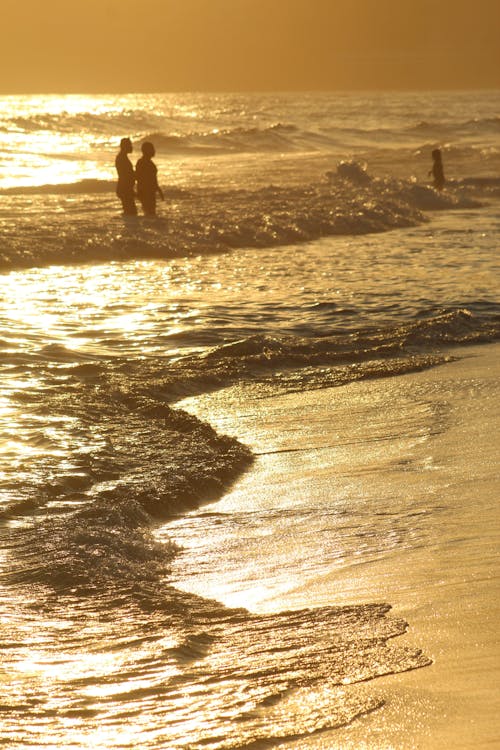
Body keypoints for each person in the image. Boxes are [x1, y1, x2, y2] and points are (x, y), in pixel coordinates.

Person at [135, 141, 164, 216]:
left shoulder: (148, 162)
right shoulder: (142, 162)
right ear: (147, 151)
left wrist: (158, 190)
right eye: (152, 149)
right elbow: (139, 178)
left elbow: (153, 179)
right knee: (150, 213)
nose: (154, 151)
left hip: (150, 192)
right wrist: (140, 192)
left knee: (150, 213)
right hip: (146, 192)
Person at [115, 137, 137, 215]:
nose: (131, 147)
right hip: (125, 189)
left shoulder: (122, 157)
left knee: (130, 212)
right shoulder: (121, 158)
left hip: (125, 188)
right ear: (125, 146)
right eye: (129, 145)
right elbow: (124, 175)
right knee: (131, 212)